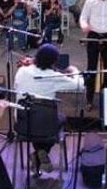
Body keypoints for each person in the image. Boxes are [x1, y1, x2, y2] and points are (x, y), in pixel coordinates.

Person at [14, 44, 83, 173]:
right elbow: (79, 85)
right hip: (45, 125)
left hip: (23, 122)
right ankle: (40, 153)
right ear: (54, 61)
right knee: (56, 120)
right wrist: (75, 71)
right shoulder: (53, 76)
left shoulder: (22, 71)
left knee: (37, 120)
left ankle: (39, 154)